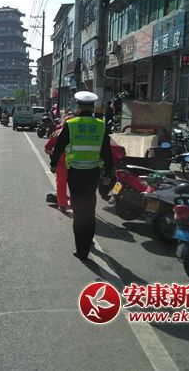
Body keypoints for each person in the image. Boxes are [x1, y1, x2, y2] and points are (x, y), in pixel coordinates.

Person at [49, 91, 113, 261]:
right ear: (92, 108)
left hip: (75, 173)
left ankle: (82, 251)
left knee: (78, 211)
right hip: (93, 173)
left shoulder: (71, 124)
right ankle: (88, 241)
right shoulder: (101, 125)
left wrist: (53, 164)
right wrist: (108, 173)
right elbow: (107, 152)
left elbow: (59, 147)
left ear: (78, 107)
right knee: (89, 209)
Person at [44, 114, 73, 212]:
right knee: (75, 184)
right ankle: (74, 203)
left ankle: (62, 205)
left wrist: (52, 155)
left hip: (61, 164)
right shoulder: (78, 134)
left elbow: (47, 148)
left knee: (61, 184)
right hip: (75, 163)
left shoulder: (56, 133)